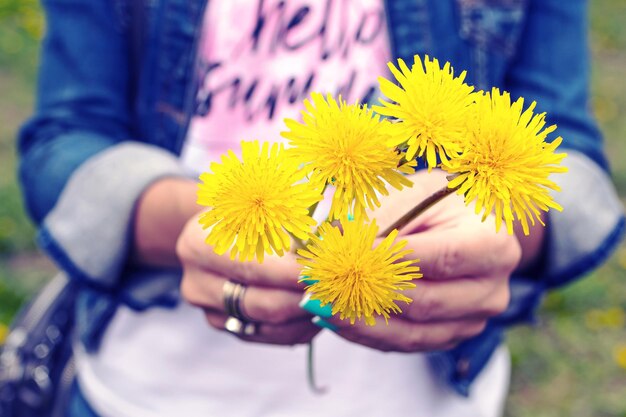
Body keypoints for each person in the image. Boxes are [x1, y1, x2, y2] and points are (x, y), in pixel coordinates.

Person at [17, 0, 624, 416]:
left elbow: (566, 162)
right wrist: (200, 217)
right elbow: (63, 141)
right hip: (148, 392)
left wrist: (496, 233)